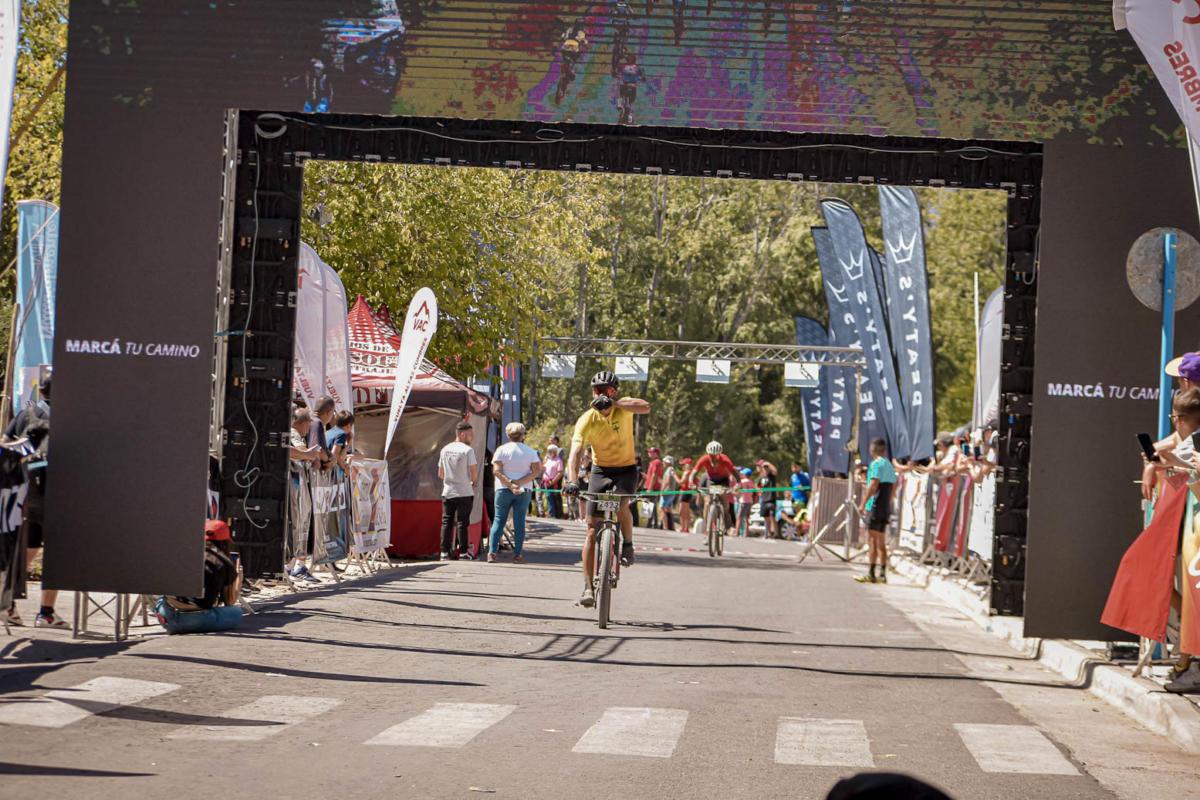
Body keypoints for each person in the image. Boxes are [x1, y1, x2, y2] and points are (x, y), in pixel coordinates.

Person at [563, 371, 651, 608]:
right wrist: (572, 481)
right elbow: (575, 453)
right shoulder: (586, 419)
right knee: (591, 529)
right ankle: (587, 587)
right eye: (597, 390)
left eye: (606, 390)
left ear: (614, 392)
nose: (601, 394)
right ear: (592, 393)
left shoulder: (624, 408)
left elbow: (645, 407)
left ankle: (628, 545)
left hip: (626, 469)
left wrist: (616, 403)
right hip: (600, 471)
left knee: (621, 504)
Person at [3, 377, 64, 628]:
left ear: (41, 390)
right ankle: (46, 614)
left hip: (26, 490)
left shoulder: (26, 412)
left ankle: (8, 606)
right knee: (58, 553)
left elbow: (6, 443)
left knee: (28, 548)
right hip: (57, 492)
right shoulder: (69, 416)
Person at [155, 520, 244, 635]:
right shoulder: (223, 562)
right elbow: (230, 600)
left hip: (167, 610)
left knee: (163, 599)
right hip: (196, 618)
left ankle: (170, 621)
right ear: (224, 542)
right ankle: (182, 626)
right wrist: (238, 577)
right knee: (236, 612)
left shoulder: (184, 552)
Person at [488, 423, 542, 563]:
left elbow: (496, 471)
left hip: (503, 489)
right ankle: (518, 555)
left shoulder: (501, 450)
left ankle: (492, 553)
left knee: (499, 520)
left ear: (508, 435)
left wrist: (510, 483)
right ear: (523, 435)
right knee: (519, 522)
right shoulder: (531, 452)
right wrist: (519, 482)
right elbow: (536, 471)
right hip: (524, 490)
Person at [286, 407, 323, 584]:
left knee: (300, 526)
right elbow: (299, 450)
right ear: (304, 422)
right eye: (309, 423)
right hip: (295, 488)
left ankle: (293, 565)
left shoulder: (294, 433)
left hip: (297, 487)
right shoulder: (293, 433)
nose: (309, 428)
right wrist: (310, 455)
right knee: (298, 526)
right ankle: (293, 566)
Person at [857, 438, 898, 584]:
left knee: (872, 540)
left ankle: (871, 573)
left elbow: (873, 485)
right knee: (881, 541)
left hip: (875, 506)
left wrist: (863, 503)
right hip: (885, 506)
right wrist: (889, 500)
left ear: (872, 449)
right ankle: (882, 573)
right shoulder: (888, 464)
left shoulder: (876, 464)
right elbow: (894, 486)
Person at [438, 420, 479, 561]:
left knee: (446, 522)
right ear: (462, 435)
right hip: (464, 492)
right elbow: (474, 472)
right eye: (470, 435)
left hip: (448, 491)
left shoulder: (444, 449)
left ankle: (444, 552)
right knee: (462, 522)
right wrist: (472, 481)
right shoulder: (468, 450)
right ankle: (463, 552)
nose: (472, 437)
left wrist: (451, 478)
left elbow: (440, 474)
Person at [689, 441, 737, 537]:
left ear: (720, 454)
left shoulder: (725, 459)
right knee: (707, 503)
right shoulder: (704, 459)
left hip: (723, 480)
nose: (713, 458)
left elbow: (734, 472)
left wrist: (738, 484)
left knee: (724, 500)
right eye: (711, 455)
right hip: (711, 481)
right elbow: (694, 472)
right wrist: (691, 482)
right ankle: (707, 528)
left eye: (716, 456)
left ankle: (726, 523)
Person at [756, 459, 780, 539]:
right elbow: (757, 485)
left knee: (773, 517)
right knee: (766, 518)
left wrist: (769, 464)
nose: (765, 469)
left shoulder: (772, 475)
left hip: (771, 499)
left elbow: (775, 471)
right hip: (764, 499)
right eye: (764, 467)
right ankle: (769, 533)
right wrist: (759, 491)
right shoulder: (761, 477)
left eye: (767, 467)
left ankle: (776, 533)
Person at [643, 446, 664, 529]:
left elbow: (654, 475)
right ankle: (653, 523)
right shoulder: (652, 462)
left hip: (653, 488)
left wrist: (650, 488)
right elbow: (651, 476)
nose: (649, 453)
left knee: (651, 505)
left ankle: (652, 523)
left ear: (656, 453)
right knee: (651, 505)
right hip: (650, 486)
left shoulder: (656, 462)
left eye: (650, 452)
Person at [542, 444, 565, 518]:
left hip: (553, 482)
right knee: (548, 497)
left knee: (553, 498)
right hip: (545, 481)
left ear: (555, 452)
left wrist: (552, 482)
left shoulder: (558, 460)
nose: (549, 452)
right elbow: (543, 468)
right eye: (548, 451)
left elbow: (560, 472)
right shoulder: (548, 460)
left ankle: (554, 514)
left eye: (550, 451)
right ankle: (551, 513)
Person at [659, 455, 679, 531]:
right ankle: (672, 526)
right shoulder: (671, 469)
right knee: (668, 509)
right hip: (671, 492)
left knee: (662, 509)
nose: (663, 462)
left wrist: (662, 490)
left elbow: (667, 481)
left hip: (667, 492)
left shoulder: (669, 469)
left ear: (668, 462)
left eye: (664, 461)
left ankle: (665, 527)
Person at [677, 457, 695, 534]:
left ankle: (683, 527)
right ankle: (686, 528)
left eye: (684, 464)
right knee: (686, 511)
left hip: (685, 492)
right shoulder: (691, 472)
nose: (682, 466)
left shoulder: (687, 472)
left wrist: (674, 475)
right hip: (688, 492)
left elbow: (681, 482)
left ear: (688, 465)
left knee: (681, 511)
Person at [736, 467, 755, 537]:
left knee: (739, 517)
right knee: (747, 518)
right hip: (750, 501)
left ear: (745, 474)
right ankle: (746, 533)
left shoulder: (743, 481)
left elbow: (736, 487)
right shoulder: (751, 482)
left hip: (743, 501)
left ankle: (736, 532)